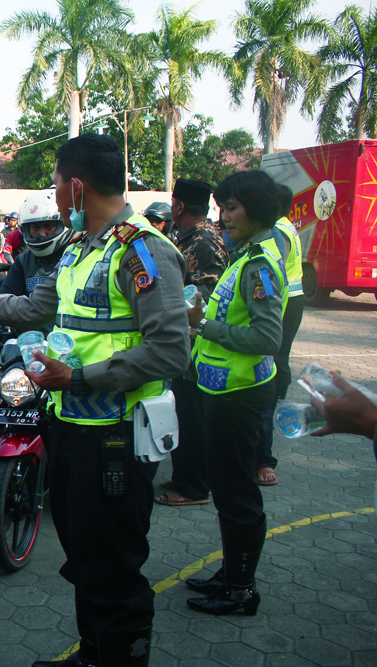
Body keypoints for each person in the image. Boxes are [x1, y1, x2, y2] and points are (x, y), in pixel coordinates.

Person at [0, 134, 189, 667]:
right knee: (83, 554)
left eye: (55, 184)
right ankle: (93, 652)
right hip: (71, 429)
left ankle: (117, 655)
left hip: (116, 436)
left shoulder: (141, 251)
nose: (53, 195)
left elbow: (169, 351)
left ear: (77, 186)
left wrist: (77, 378)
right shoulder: (80, 248)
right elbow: (32, 308)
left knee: (114, 563)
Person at [183, 170, 287, 618]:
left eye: (231, 208)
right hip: (223, 392)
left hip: (240, 396)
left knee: (237, 495)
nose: (223, 217)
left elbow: (266, 338)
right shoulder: (245, 256)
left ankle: (241, 589)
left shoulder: (259, 264)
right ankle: (232, 573)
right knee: (228, 492)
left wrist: (202, 324)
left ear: (255, 210)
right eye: (222, 208)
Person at [0, 190, 80, 510]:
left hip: (68, 353)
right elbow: (6, 297)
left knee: (68, 422)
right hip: (27, 350)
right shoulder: (24, 260)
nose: (39, 234)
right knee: (5, 411)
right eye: (33, 228)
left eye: (47, 227)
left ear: (60, 224)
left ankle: (68, 483)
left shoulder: (76, 254)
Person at [157, 179, 228, 507]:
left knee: (192, 416)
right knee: (184, 412)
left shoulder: (203, 241)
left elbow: (203, 296)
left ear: (180, 206)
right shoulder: (188, 237)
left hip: (193, 342)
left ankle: (195, 487)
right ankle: (188, 474)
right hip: (183, 339)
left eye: (173, 202)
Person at [256, 184, 303, 486]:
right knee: (278, 357)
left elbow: (271, 278)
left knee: (274, 359)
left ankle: (263, 457)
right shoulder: (285, 226)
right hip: (291, 298)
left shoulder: (276, 233)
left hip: (285, 300)